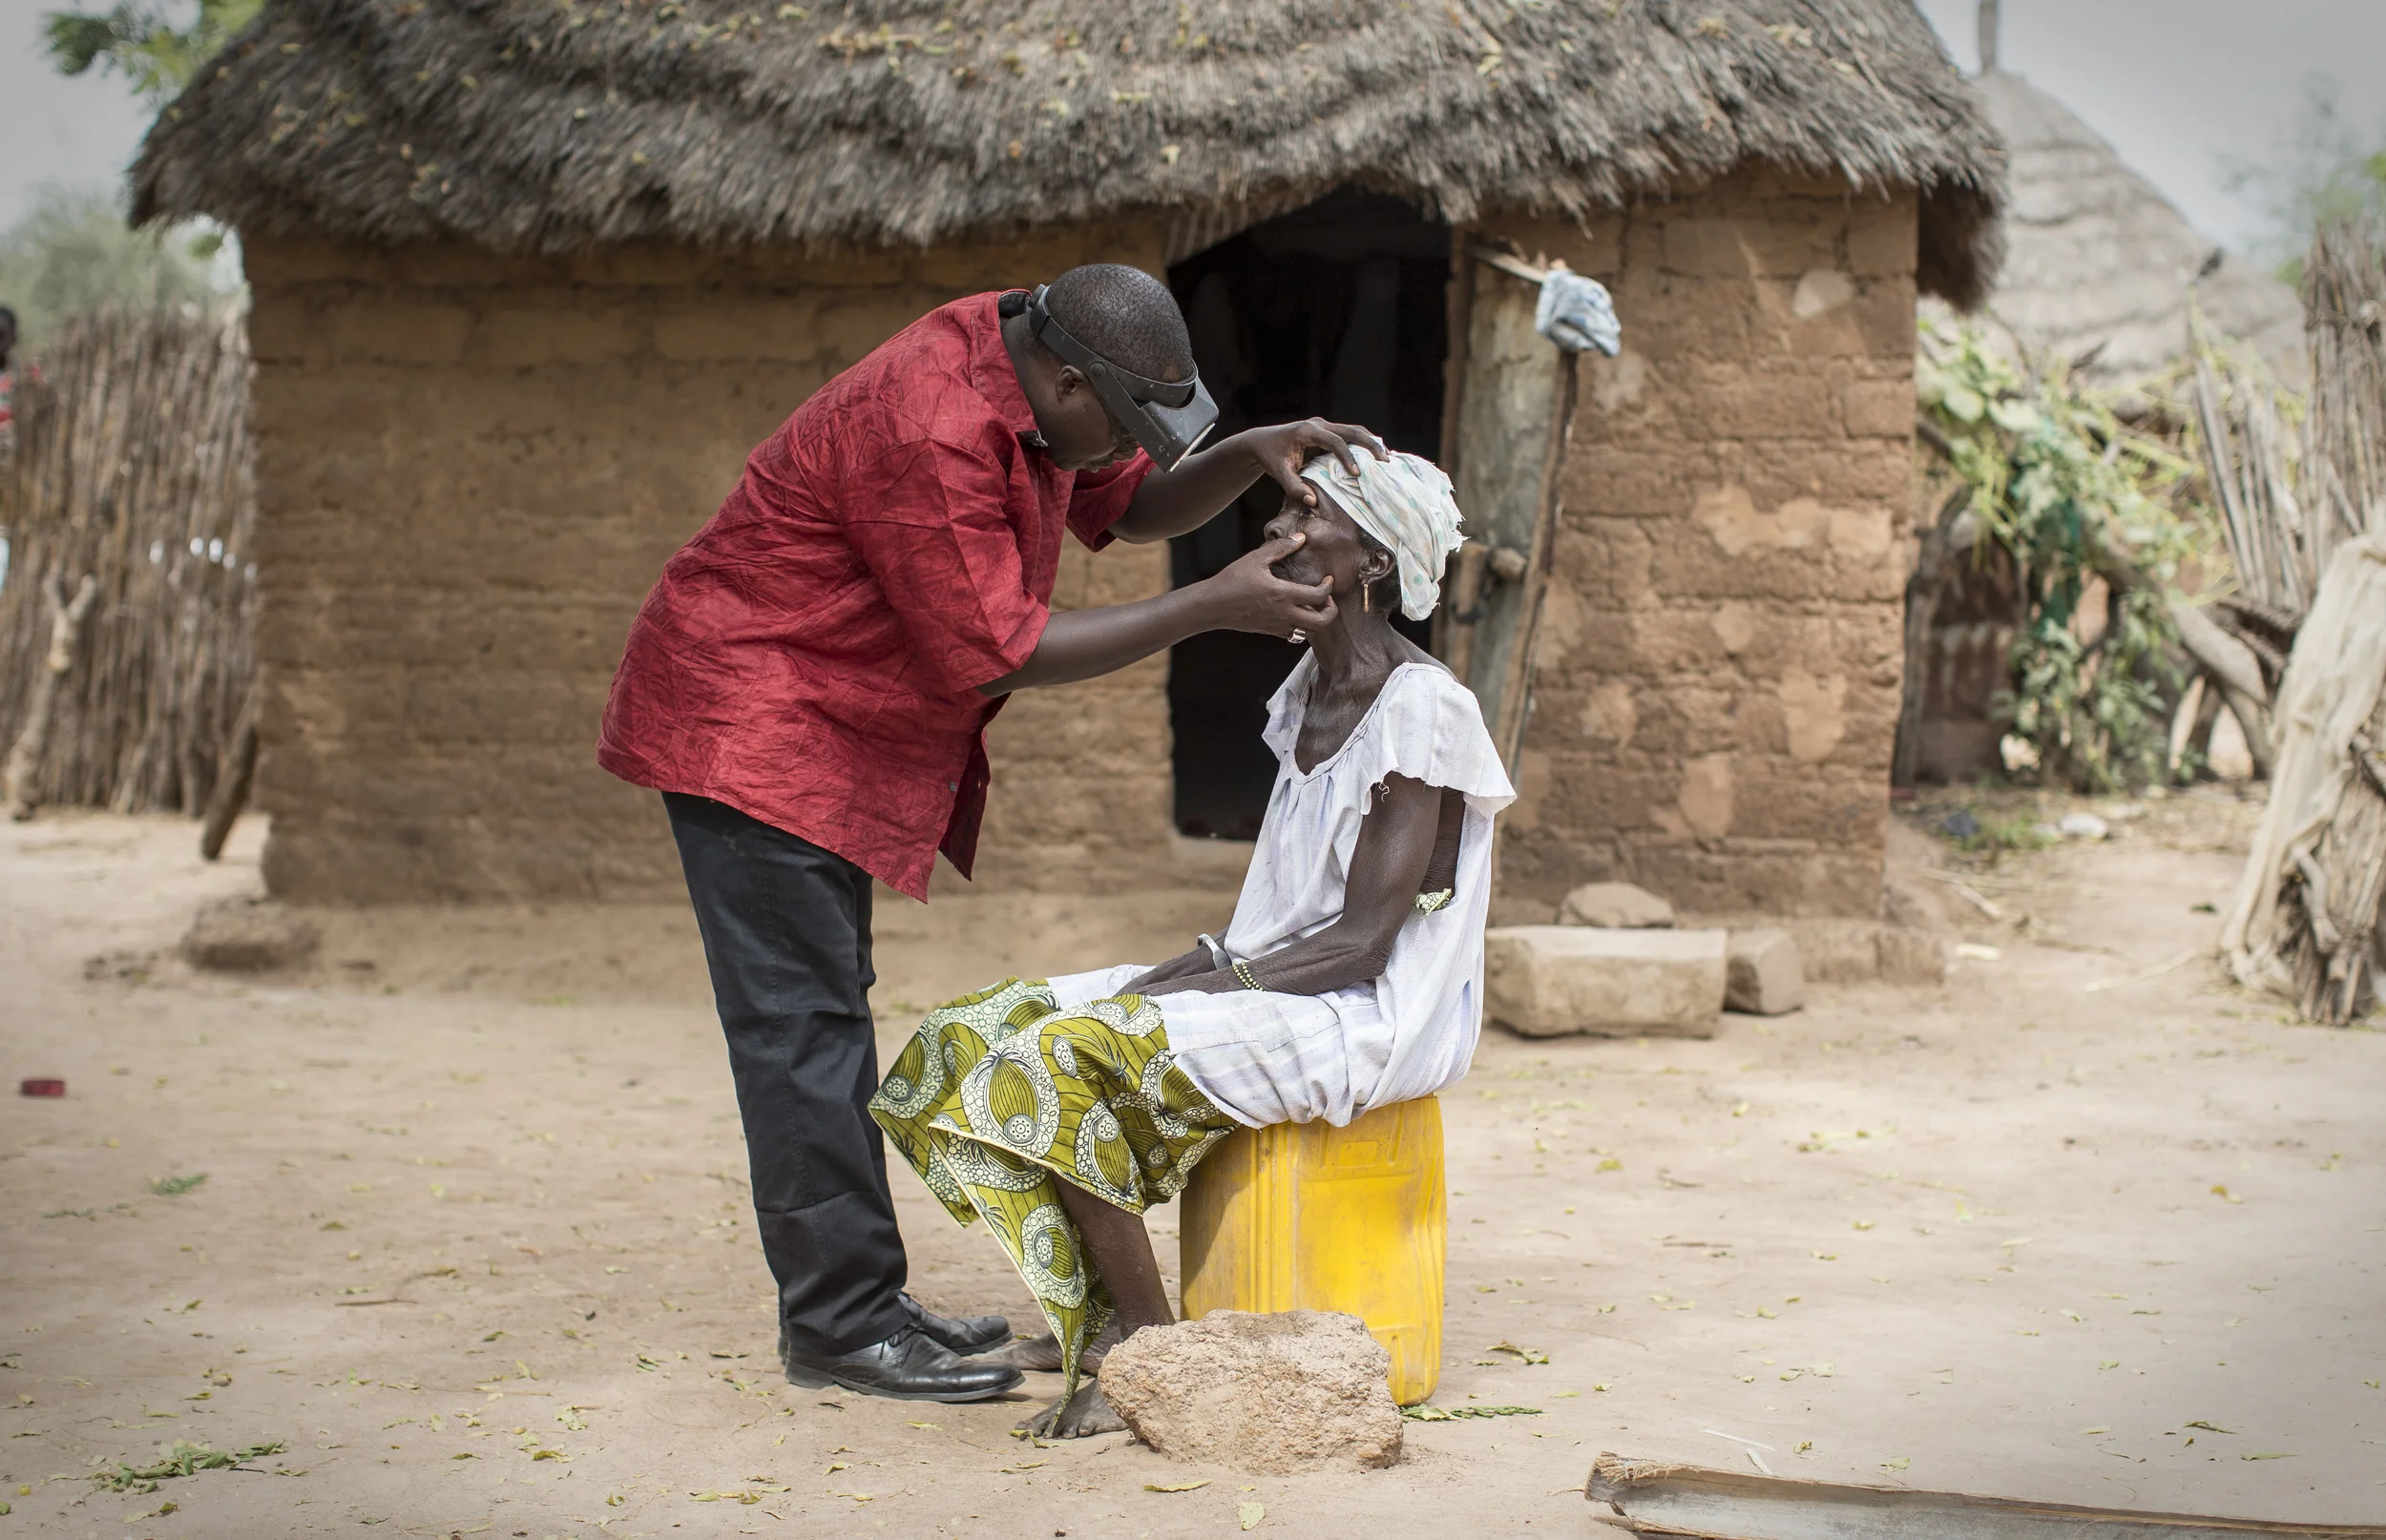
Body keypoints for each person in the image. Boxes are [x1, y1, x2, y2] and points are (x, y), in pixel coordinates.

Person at [598, 263, 1388, 1405]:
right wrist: (1213, 605)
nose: (1121, 447)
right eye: (1115, 423)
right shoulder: (932, 424)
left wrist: (1249, 447)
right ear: (1068, 383)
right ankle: (839, 1324)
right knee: (800, 1027)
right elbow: (998, 649)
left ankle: (860, 1302)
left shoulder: (1040, 363)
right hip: (750, 719)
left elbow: (1136, 503)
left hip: (822, 715)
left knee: (820, 1008)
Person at [869, 449, 1516, 1436]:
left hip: (1365, 1015)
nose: (1274, 533)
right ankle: (1087, 1312)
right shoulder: (1310, 684)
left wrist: (1206, 990)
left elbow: (1361, 946)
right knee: (976, 1031)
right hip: (1283, 977)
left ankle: (1146, 1347)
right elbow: (1290, 910)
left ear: (1372, 562)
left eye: (1309, 519)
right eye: (1281, 514)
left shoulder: (1420, 708)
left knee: (1062, 1058)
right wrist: (1206, 966)